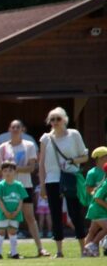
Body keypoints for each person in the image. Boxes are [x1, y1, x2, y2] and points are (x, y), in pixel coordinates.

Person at [38, 107, 89, 257]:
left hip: (70, 177)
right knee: (55, 214)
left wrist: (73, 160)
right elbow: (41, 164)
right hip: (52, 180)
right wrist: (42, 185)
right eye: (52, 119)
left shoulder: (74, 134)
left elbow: (84, 156)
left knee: (75, 213)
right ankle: (59, 251)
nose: (55, 122)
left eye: (58, 119)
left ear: (64, 120)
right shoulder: (45, 138)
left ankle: (83, 249)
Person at [0, 120, 49, 257]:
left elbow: (31, 167)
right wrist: (8, 171)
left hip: (25, 186)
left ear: (23, 129)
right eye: (12, 127)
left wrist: (11, 168)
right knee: (6, 219)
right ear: (9, 129)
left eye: (18, 127)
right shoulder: (2, 147)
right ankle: (11, 251)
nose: (15, 129)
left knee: (30, 217)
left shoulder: (29, 145)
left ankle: (40, 248)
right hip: (7, 188)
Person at [0, 162, 27, 259]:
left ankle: (14, 253)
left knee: (13, 232)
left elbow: (21, 199)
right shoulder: (0, 186)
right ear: (2, 173)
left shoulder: (19, 185)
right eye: (5, 171)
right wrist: (6, 212)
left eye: (10, 170)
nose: (8, 173)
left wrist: (16, 211)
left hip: (15, 213)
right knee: (1, 232)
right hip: (3, 213)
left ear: (15, 172)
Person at [81, 148, 107, 250]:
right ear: (100, 158)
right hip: (97, 205)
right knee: (99, 229)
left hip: (100, 206)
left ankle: (85, 251)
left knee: (92, 230)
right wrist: (97, 192)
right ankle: (92, 246)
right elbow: (88, 189)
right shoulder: (92, 173)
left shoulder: (105, 172)